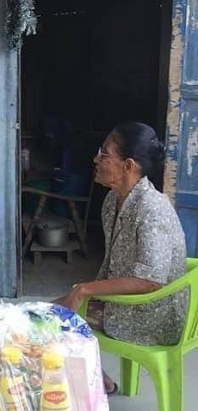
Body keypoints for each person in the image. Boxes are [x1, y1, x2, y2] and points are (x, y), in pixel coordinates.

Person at [57, 122, 187, 394]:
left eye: (104, 154)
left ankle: (92, 388)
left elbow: (151, 280)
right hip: (130, 304)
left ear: (128, 166)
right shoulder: (112, 202)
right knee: (49, 312)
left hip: (154, 317)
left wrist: (85, 290)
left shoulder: (153, 209)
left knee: (55, 325)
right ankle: (100, 381)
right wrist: (82, 294)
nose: (96, 159)